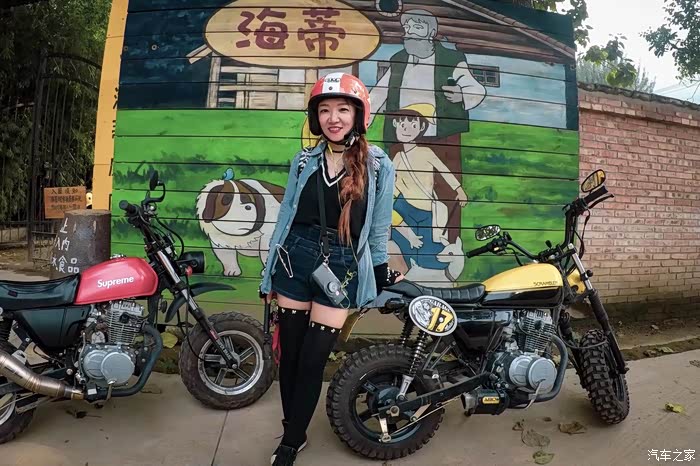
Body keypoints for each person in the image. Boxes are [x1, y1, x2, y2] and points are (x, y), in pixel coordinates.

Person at [258, 72, 403, 466]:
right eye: (324, 110)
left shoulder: (378, 164)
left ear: (358, 115)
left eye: (342, 109)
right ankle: (293, 431)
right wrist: (270, 270)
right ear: (315, 117)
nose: (333, 118)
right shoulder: (304, 161)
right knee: (290, 356)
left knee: (312, 360)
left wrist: (379, 268)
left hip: (340, 264)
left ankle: (289, 443)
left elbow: (378, 227)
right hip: (294, 258)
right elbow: (286, 216)